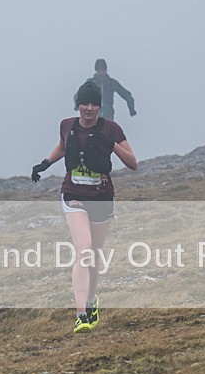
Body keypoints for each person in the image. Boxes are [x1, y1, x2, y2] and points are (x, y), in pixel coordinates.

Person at [33, 81, 138, 333]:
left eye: (94, 104)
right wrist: (45, 163)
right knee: (85, 251)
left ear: (99, 107)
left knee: (94, 257)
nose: (89, 108)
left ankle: (91, 300)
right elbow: (62, 146)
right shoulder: (67, 125)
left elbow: (133, 162)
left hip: (101, 196)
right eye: (84, 103)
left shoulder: (111, 128)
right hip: (73, 193)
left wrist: (111, 144)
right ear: (77, 104)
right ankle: (81, 313)